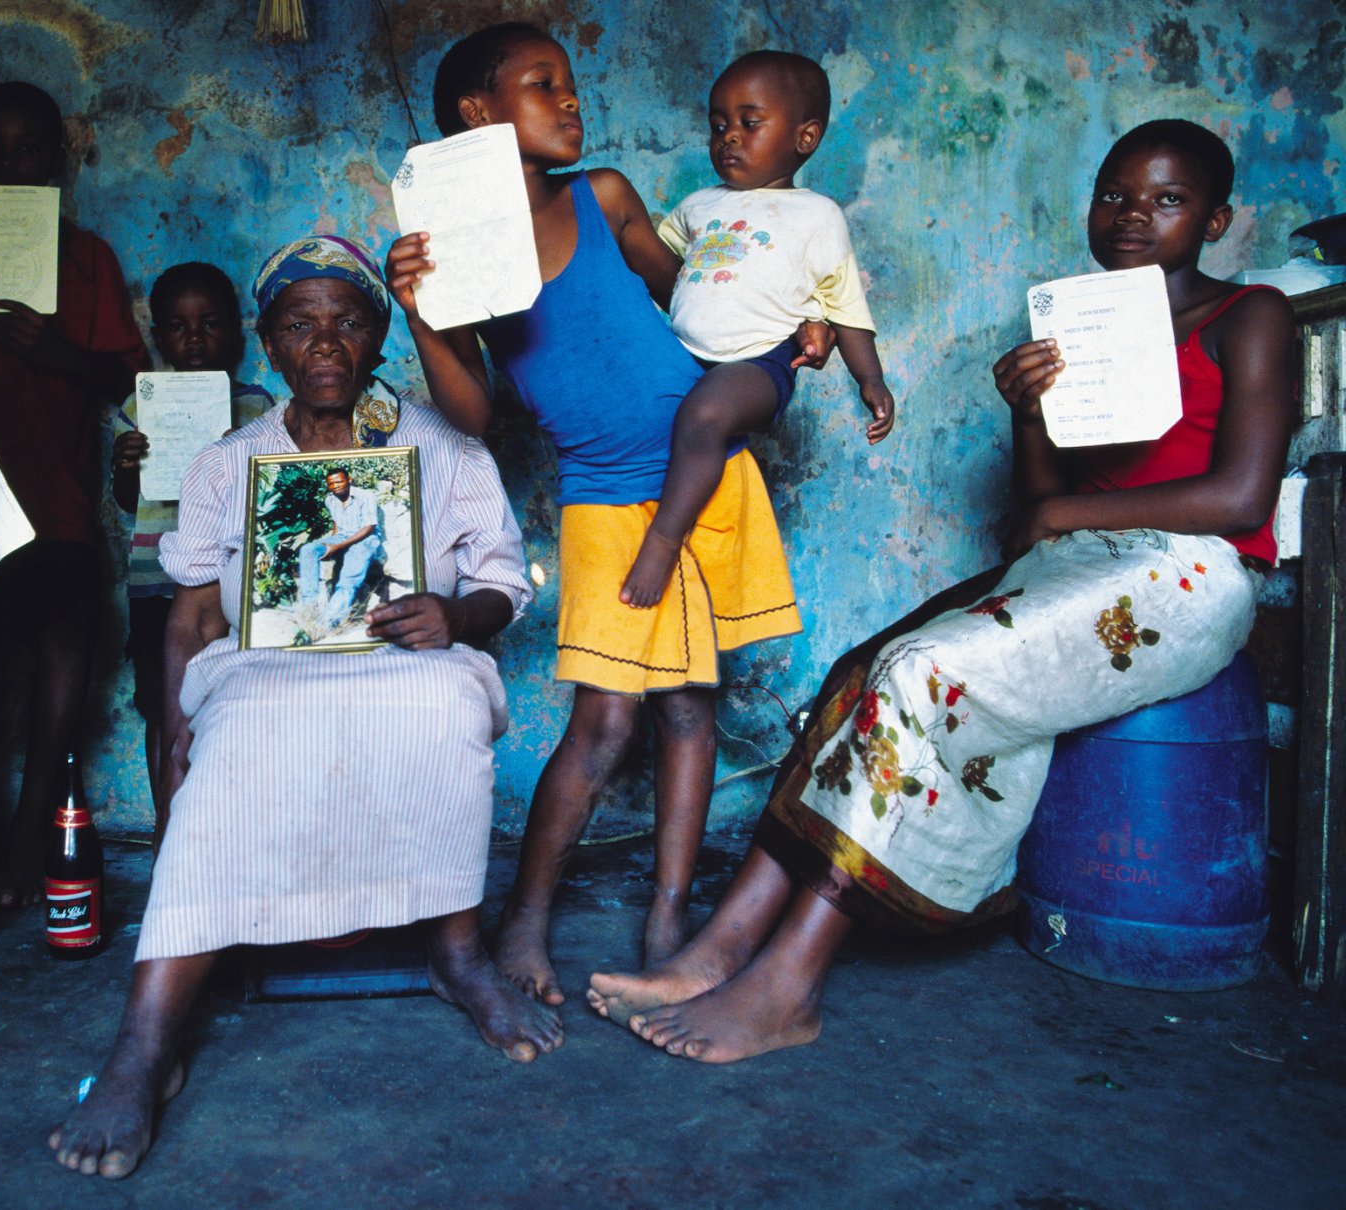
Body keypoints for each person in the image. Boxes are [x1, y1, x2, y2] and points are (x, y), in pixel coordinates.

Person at [585, 119, 1290, 1064]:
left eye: (1168, 199)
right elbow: (1035, 510)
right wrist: (1028, 414)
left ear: (1216, 220)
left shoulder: (1251, 316)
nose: (1133, 215)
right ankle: (720, 948)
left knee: (921, 674)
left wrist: (1064, 515)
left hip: (1187, 573)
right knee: (862, 668)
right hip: (1074, 559)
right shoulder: (1074, 326)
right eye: (1114, 195)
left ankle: (789, 986)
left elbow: (1242, 497)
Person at [51, 237, 561, 1181]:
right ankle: (146, 1039)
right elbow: (194, 614)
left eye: (348, 321)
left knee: (446, 706)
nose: (325, 343)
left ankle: (458, 953)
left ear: (379, 337)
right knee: (237, 734)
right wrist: (176, 736)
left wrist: (457, 616)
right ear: (270, 345)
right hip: (266, 669)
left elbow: (500, 582)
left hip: (408, 661)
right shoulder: (226, 464)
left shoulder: (442, 447)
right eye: (299, 326)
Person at [386, 23, 826, 1005]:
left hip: (702, 478)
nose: (570, 99)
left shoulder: (606, 196)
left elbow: (706, 305)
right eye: (542, 84)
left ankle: (668, 917)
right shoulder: (450, 253)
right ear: (477, 114)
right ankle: (524, 919)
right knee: (603, 721)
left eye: (570, 82)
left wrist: (794, 317)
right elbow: (471, 416)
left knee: (689, 706)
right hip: (603, 496)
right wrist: (418, 311)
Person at [0, 80, 151, 916]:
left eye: (29, 148)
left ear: (58, 162)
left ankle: (29, 836)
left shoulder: (87, 259)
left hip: (52, 494)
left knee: (66, 641)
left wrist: (52, 351)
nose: (11, 162)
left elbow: (126, 378)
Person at [620, 50, 895, 609]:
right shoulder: (699, 206)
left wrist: (871, 380)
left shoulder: (817, 215)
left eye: (749, 123)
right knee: (636, 404)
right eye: (717, 124)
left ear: (805, 137)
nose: (728, 137)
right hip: (685, 354)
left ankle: (664, 540)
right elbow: (653, 261)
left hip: (760, 363)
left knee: (705, 415)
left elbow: (845, 305)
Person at [111, 262, 273, 835]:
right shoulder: (140, 408)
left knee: (233, 699)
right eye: (179, 327)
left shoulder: (259, 407)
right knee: (164, 705)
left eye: (211, 324)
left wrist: (234, 454)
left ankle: (223, 829)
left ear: (236, 331)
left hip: (229, 583)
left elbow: (269, 496)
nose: (196, 338)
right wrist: (125, 466)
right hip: (156, 581)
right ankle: (168, 824)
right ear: (158, 337)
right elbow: (128, 502)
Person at [294, 468, 383, 628]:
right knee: (308, 550)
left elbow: (369, 527)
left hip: (365, 540)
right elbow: (337, 523)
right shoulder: (330, 499)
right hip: (341, 537)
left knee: (348, 580)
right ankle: (309, 607)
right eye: (331, 484)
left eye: (339, 481)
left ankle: (328, 622)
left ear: (349, 480)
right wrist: (332, 541)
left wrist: (338, 547)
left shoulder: (365, 496)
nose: (335, 486)